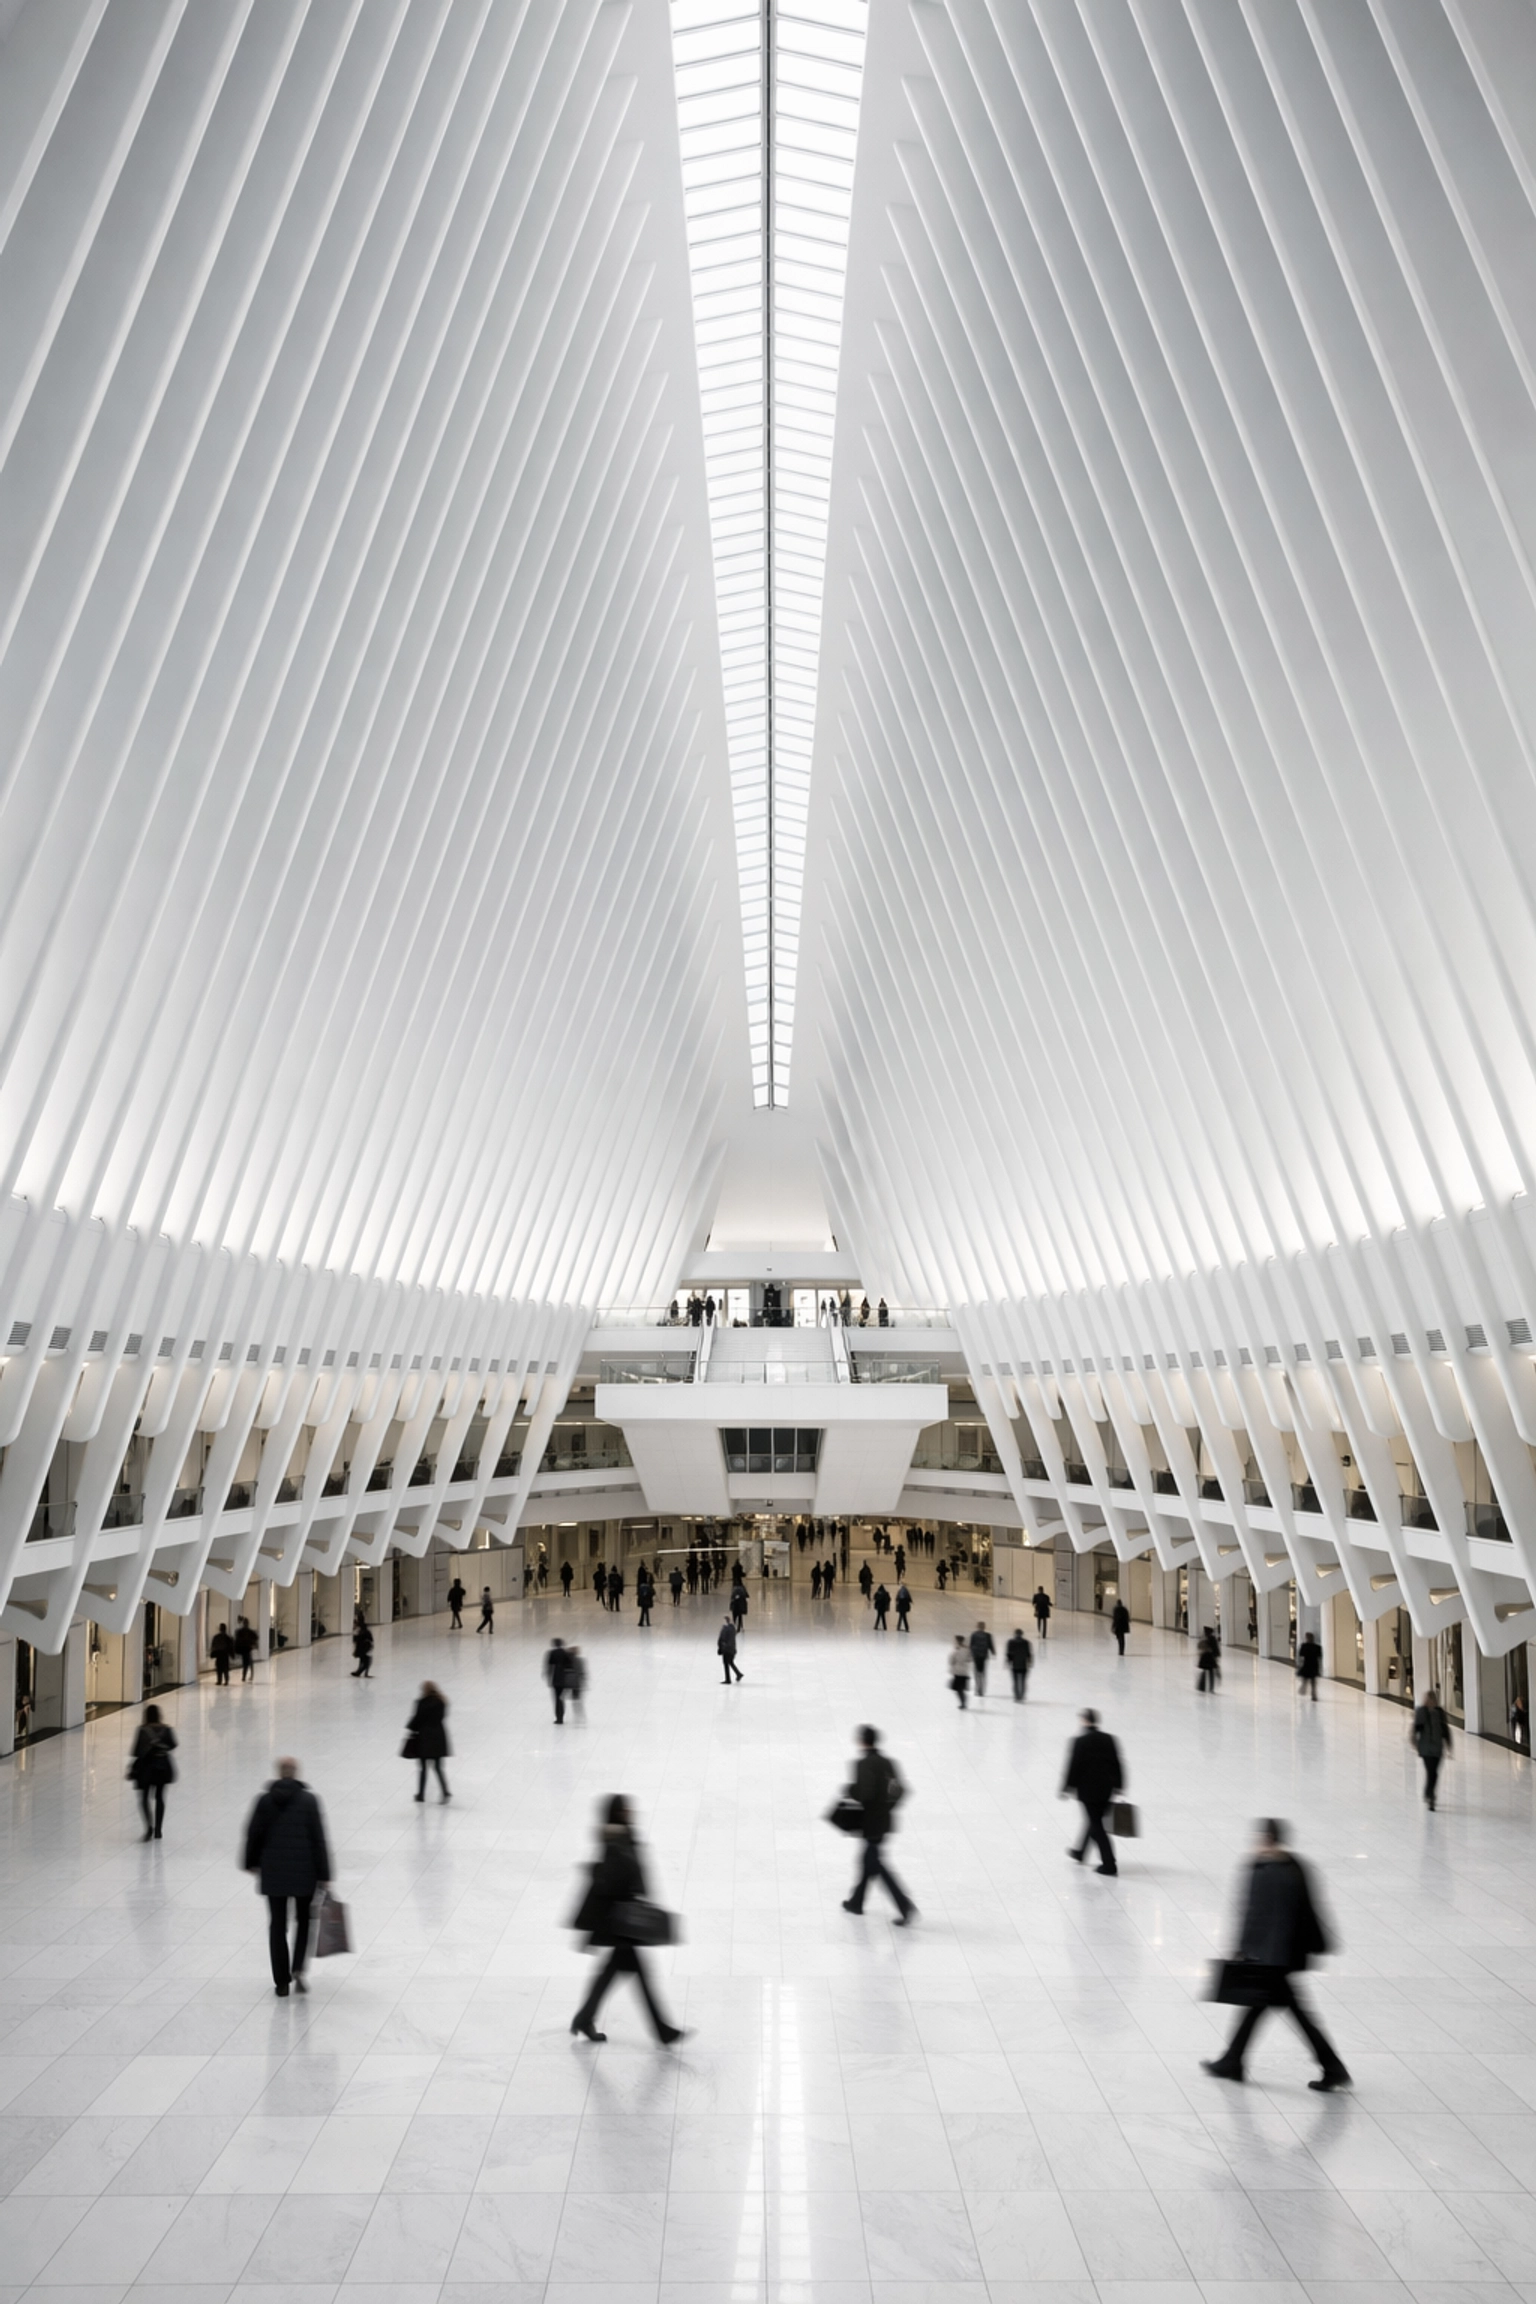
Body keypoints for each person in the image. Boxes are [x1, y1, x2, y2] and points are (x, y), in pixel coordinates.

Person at [1202, 1819, 1350, 2091]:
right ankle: (1233, 2060)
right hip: (1287, 1955)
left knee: (1288, 2012)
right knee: (1266, 2008)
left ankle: (1332, 2067)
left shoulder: (1263, 1869)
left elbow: (1253, 1914)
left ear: (1267, 1838)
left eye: (1259, 1837)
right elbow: (1308, 1909)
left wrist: (1242, 1947)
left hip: (1271, 1957)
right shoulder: (1296, 1866)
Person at [569, 1795, 685, 2044]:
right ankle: (662, 2030)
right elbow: (609, 1882)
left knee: (611, 1973)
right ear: (616, 1813)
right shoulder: (614, 1840)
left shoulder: (624, 1836)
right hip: (619, 1922)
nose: (630, 1811)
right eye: (624, 1809)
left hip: (622, 1922)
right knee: (638, 1976)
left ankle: (584, 2018)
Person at [243, 1757, 333, 1998]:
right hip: (305, 1875)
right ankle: (299, 1970)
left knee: (277, 1925)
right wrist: (325, 1874)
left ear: (279, 1773)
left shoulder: (264, 1801)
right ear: (296, 1773)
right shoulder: (309, 1800)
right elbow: (318, 1839)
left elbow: (253, 1834)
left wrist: (250, 1862)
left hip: (273, 1874)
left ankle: (281, 1981)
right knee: (304, 1921)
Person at [839, 1726, 916, 1922]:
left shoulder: (863, 1764)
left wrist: (850, 1789)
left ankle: (905, 1906)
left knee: (875, 1865)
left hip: (870, 1822)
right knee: (868, 1861)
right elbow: (900, 1790)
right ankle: (856, 1902)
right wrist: (888, 1808)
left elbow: (865, 1794)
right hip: (884, 1821)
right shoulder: (888, 1762)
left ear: (862, 1741)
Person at [1061, 1707, 1123, 1876]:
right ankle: (1080, 1851)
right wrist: (1120, 1785)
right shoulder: (1109, 1739)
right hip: (1107, 1789)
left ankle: (1109, 1863)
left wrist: (1066, 1787)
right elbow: (1117, 1763)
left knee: (1097, 1826)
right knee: (1094, 1820)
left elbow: (1073, 1766)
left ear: (1085, 1721)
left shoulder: (1080, 1741)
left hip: (1088, 1791)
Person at [128, 1704, 177, 1840]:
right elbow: (173, 1744)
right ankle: (158, 1830)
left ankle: (148, 1827)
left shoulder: (142, 1730)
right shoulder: (167, 1729)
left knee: (144, 1798)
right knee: (160, 1797)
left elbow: (136, 1751)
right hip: (162, 1767)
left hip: (146, 1768)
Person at [405, 1682, 451, 1800]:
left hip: (424, 1738)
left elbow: (417, 1718)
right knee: (438, 1768)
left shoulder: (422, 1702)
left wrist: (410, 1727)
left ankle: (421, 1794)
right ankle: (445, 1791)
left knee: (423, 1768)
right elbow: (442, 1717)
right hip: (438, 1737)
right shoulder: (441, 1702)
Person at [1411, 1687, 1453, 1810]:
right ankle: (1431, 1796)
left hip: (1437, 1748)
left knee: (1434, 1773)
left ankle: (1429, 1792)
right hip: (1426, 1748)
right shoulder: (1421, 1712)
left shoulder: (1439, 1713)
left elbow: (1445, 1730)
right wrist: (1415, 1743)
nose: (1430, 1702)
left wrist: (1449, 1745)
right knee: (1431, 1772)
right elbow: (1416, 1729)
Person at [545, 1636, 571, 1724]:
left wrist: (548, 1678)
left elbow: (549, 1666)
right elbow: (570, 1665)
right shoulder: (565, 1653)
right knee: (561, 1698)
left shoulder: (552, 1653)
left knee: (556, 1698)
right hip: (564, 1678)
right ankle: (561, 1715)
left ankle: (558, 1717)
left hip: (555, 1678)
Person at [1005, 1626, 1032, 1700]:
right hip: (1023, 1665)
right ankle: (1022, 1695)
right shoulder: (1026, 1642)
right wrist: (1029, 1662)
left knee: (1015, 1681)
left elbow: (1009, 1654)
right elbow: (1029, 1654)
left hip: (1014, 1665)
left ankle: (1016, 1696)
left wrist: (1008, 1662)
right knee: (1023, 1681)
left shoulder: (1011, 1642)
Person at [969, 1621, 995, 1696]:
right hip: (984, 1656)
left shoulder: (974, 1634)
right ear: (984, 1627)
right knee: (983, 1674)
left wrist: (970, 1654)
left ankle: (977, 1689)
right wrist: (993, 1652)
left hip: (976, 1656)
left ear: (977, 1626)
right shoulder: (988, 1635)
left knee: (976, 1673)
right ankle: (981, 1691)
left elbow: (971, 1645)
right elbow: (990, 1645)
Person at [1296, 1630, 1322, 1700]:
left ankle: (1303, 1690)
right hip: (1314, 1665)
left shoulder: (1304, 1646)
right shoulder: (1317, 1647)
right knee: (1313, 1682)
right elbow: (1319, 1657)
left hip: (1306, 1665)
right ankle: (1313, 1695)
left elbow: (1301, 1656)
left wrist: (1299, 1665)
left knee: (1305, 1680)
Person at [948, 1634, 971, 1708]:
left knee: (958, 1689)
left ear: (957, 1641)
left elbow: (951, 1661)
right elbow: (970, 1659)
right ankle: (963, 1702)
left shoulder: (956, 1651)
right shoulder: (967, 1650)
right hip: (965, 1671)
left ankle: (963, 1703)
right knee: (960, 1689)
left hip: (958, 1672)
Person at [718, 1615, 743, 1684]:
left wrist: (722, 1647)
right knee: (730, 1662)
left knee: (726, 1663)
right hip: (731, 1649)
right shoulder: (731, 1628)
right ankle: (738, 1674)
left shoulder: (726, 1629)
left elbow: (722, 1639)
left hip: (727, 1649)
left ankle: (728, 1679)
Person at [1197, 1626, 1221, 1694]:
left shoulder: (1204, 1638)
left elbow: (1199, 1646)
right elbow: (1215, 1648)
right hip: (1210, 1658)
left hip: (1204, 1658)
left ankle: (1201, 1687)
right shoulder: (1212, 1638)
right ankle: (1211, 1688)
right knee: (1211, 1674)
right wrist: (1217, 1655)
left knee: (1205, 1673)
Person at [234, 1617, 259, 1682]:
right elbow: (256, 1637)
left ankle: (245, 1676)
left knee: (246, 1663)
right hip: (247, 1649)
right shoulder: (249, 1632)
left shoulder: (240, 1632)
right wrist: (253, 1643)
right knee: (249, 1662)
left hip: (244, 1649)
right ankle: (249, 1676)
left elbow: (237, 1640)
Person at [567, 1645, 587, 1720]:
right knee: (578, 1698)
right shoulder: (579, 1660)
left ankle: (577, 1714)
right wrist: (584, 1680)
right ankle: (580, 1714)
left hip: (569, 1681)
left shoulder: (568, 1661)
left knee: (574, 1699)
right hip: (577, 1681)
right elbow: (582, 1671)